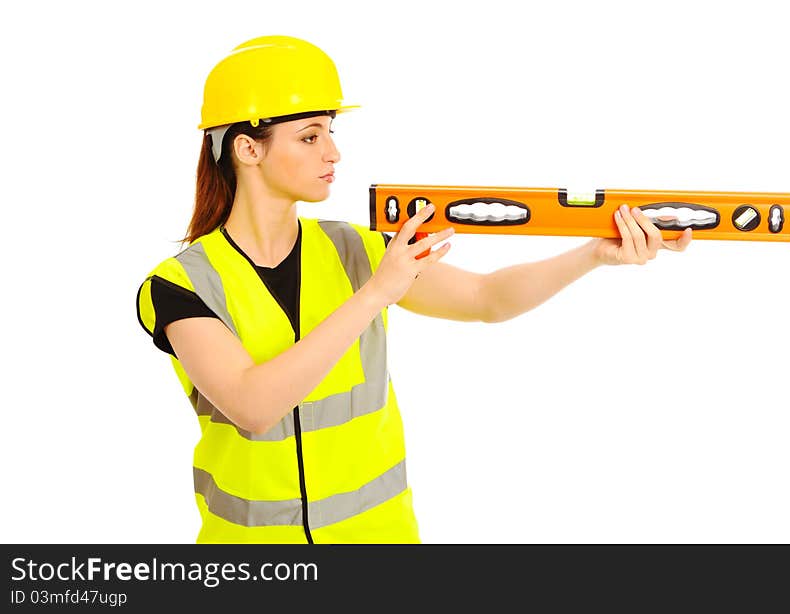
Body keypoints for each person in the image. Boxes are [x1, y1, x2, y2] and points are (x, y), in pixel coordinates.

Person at [136, 35, 692, 544]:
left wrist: (594, 253)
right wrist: (376, 294)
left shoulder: (356, 250)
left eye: (332, 132)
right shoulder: (181, 285)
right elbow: (254, 407)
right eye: (310, 136)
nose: (333, 153)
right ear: (247, 149)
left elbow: (488, 299)